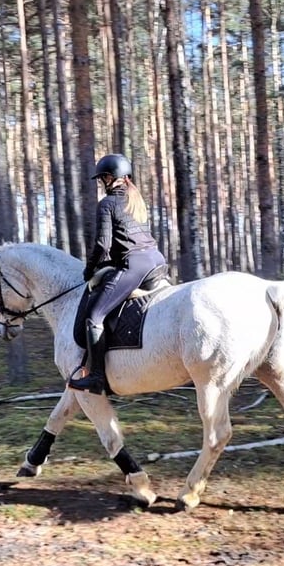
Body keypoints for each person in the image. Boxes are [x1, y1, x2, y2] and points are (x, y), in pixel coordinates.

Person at [68, 153, 167, 395]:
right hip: (156, 260)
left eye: (103, 178)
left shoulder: (108, 203)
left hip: (135, 266)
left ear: (111, 178)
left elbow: (103, 245)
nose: (102, 182)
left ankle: (97, 377)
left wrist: (90, 269)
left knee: (94, 316)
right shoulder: (136, 200)